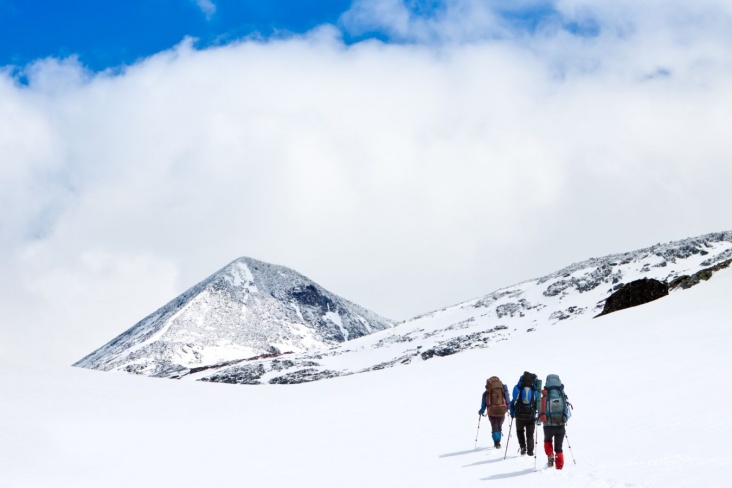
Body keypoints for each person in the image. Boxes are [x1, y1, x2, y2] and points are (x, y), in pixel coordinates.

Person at [538, 374, 572, 469]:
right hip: (560, 425)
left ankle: (550, 455)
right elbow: (567, 410)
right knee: (559, 448)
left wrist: (539, 420)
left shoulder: (545, 394)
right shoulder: (561, 393)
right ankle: (559, 467)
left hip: (548, 425)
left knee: (547, 440)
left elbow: (541, 410)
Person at [508, 371, 539, 456]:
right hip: (531, 415)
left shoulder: (517, 388)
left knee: (519, 431)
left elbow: (513, 401)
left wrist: (512, 413)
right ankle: (530, 451)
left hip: (519, 414)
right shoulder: (535, 390)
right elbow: (537, 403)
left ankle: (523, 447)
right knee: (530, 434)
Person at [478, 376, 510, 448]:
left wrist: (481, 411)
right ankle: (498, 440)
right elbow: (507, 399)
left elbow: (483, 404)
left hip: (491, 411)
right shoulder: (503, 391)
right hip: (502, 411)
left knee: (494, 425)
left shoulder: (486, 393)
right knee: (499, 425)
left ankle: (497, 442)